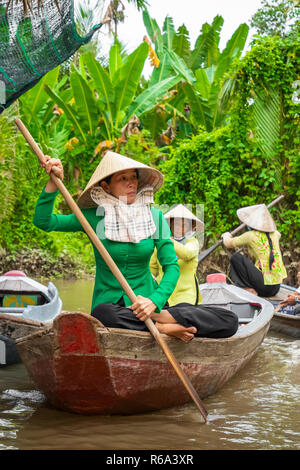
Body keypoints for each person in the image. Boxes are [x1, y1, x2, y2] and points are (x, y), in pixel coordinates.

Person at [34, 151, 238, 342]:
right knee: (101, 315)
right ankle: (161, 327)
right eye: (122, 178)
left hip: (152, 304)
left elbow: (171, 267)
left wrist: (155, 302)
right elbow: (44, 221)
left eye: (133, 177)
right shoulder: (93, 218)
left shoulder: (155, 217)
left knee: (228, 320)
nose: (131, 183)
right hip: (113, 307)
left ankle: (161, 320)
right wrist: (52, 183)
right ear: (106, 187)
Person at [222, 203, 287, 297]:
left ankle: (246, 288)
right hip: (276, 288)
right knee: (252, 261)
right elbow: (278, 234)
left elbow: (228, 243)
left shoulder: (251, 235)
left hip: (264, 288)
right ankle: (251, 287)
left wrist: (226, 235)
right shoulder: (275, 234)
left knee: (236, 257)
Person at [150, 204, 203, 306]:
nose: (180, 228)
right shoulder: (162, 244)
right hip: (163, 294)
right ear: (171, 225)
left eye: (185, 225)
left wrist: (168, 241)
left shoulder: (192, 242)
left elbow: (187, 253)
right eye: (177, 224)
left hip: (186, 295)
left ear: (190, 227)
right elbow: (151, 268)